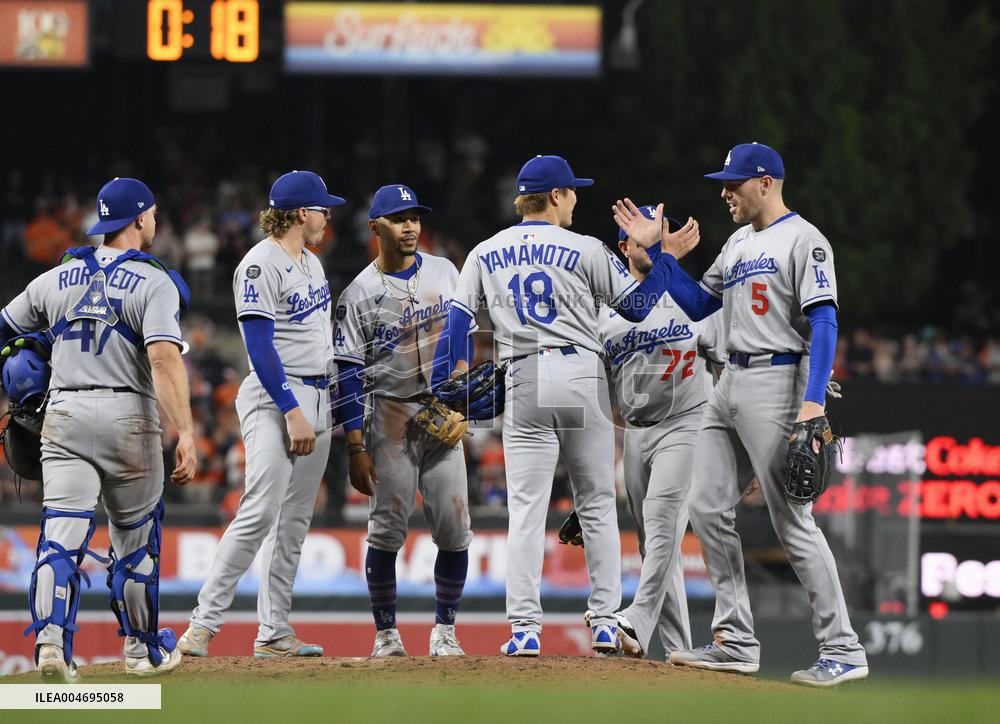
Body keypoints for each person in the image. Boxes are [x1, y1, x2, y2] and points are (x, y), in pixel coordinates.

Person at [613, 142, 868, 687]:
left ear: (767, 183)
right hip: (729, 379)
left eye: (734, 183)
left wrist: (814, 400)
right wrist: (659, 258)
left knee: (791, 520)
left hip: (779, 381)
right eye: (723, 182)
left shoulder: (805, 239)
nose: (725, 191)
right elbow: (700, 305)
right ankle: (734, 639)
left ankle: (843, 648)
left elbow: (824, 322)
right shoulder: (736, 241)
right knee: (705, 506)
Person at [431, 155, 700, 656]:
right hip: (580, 372)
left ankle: (524, 631)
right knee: (597, 503)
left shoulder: (486, 250)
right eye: (572, 191)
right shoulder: (585, 248)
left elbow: (458, 322)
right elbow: (638, 308)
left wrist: (446, 383)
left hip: (523, 373)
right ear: (554, 196)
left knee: (527, 511)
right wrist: (664, 260)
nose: (576, 198)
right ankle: (603, 622)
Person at [0, 177, 197, 681]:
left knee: (59, 538)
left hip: (64, 413)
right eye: (151, 214)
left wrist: (15, 366)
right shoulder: (155, 282)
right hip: (128, 416)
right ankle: (142, 650)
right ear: (137, 219)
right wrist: (188, 432)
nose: (154, 221)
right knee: (135, 543)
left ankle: (49, 647)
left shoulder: (54, 278)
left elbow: (6, 330)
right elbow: (162, 358)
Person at [179, 171, 341, 658]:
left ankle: (273, 632)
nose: (328, 216)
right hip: (277, 398)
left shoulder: (312, 263)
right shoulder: (258, 265)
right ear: (299, 213)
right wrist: (292, 409)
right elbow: (259, 346)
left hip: (319, 399)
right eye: (322, 208)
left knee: (293, 522)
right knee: (259, 510)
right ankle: (202, 626)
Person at [333, 184, 473, 657]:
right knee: (388, 529)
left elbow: (463, 334)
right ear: (376, 228)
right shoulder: (358, 294)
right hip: (390, 413)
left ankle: (445, 631)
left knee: (454, 527)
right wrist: (355, 446)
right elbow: (348, 375)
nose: (410, 226)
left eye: (414, 216)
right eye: (398, 218)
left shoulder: (443, 270)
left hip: (441, 408)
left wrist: (459, 376)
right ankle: (386, 635)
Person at [580, 205, 726, 659]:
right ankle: (678, 653)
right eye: (641, 236)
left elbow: (728, 368)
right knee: (653, 547)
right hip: (637, 434)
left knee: (663, 525)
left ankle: (636, 621)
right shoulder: (606, 314)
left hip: (690, 421)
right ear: (623, 247)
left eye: (657, 234)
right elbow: (596, 396)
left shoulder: (691, 299)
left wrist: (734, 442)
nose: (651, 242)